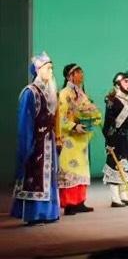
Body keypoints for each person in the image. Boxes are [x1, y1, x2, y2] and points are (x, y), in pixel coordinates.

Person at [11, 52, 61, 225]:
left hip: (48, 141)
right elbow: (25, 122)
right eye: (48, 68)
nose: (51, 72)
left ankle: (48, 213)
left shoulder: (50, 92)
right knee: (35, 177)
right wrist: (28, 146)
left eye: (52, 68)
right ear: (38, 70)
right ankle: (35, 214)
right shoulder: (30, 92)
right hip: (36, 142)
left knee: (49, 176)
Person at [57, 63, 99, 214]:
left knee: (82, 170)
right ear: (69, 76)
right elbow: (60, 117)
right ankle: (69, 204)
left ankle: (80, 201)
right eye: (78, 72)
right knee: (70, 169)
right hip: (70, 138)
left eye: (82, 72)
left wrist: (93, 118)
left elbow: (88, 111)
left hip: (81, 138)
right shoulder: (63, 94)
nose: (81, 75)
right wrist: (74, 126)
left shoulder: (82, 94)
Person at [103, 71, 128, 207]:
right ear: (117, 85)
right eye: (126, 81)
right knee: (115, 166)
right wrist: (110, 141)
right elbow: (109, 123)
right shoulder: (112, 101)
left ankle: (124, 195)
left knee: (127, 167)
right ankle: (115, 198)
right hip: (116, 139)